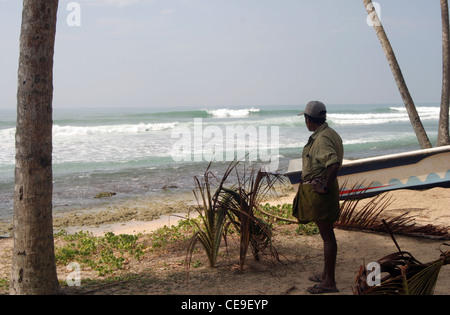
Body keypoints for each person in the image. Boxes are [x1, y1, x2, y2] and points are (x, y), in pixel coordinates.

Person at [292, 100, 344, 294]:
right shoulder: (328, 134)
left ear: (308, 119)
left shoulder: (321, 139)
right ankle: (325, 275)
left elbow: (333, 163)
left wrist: (324, 186)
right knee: (327, 235)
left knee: (327, 237)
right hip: (323, 190)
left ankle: (329, 281)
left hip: (322, 193)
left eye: (305, 119)